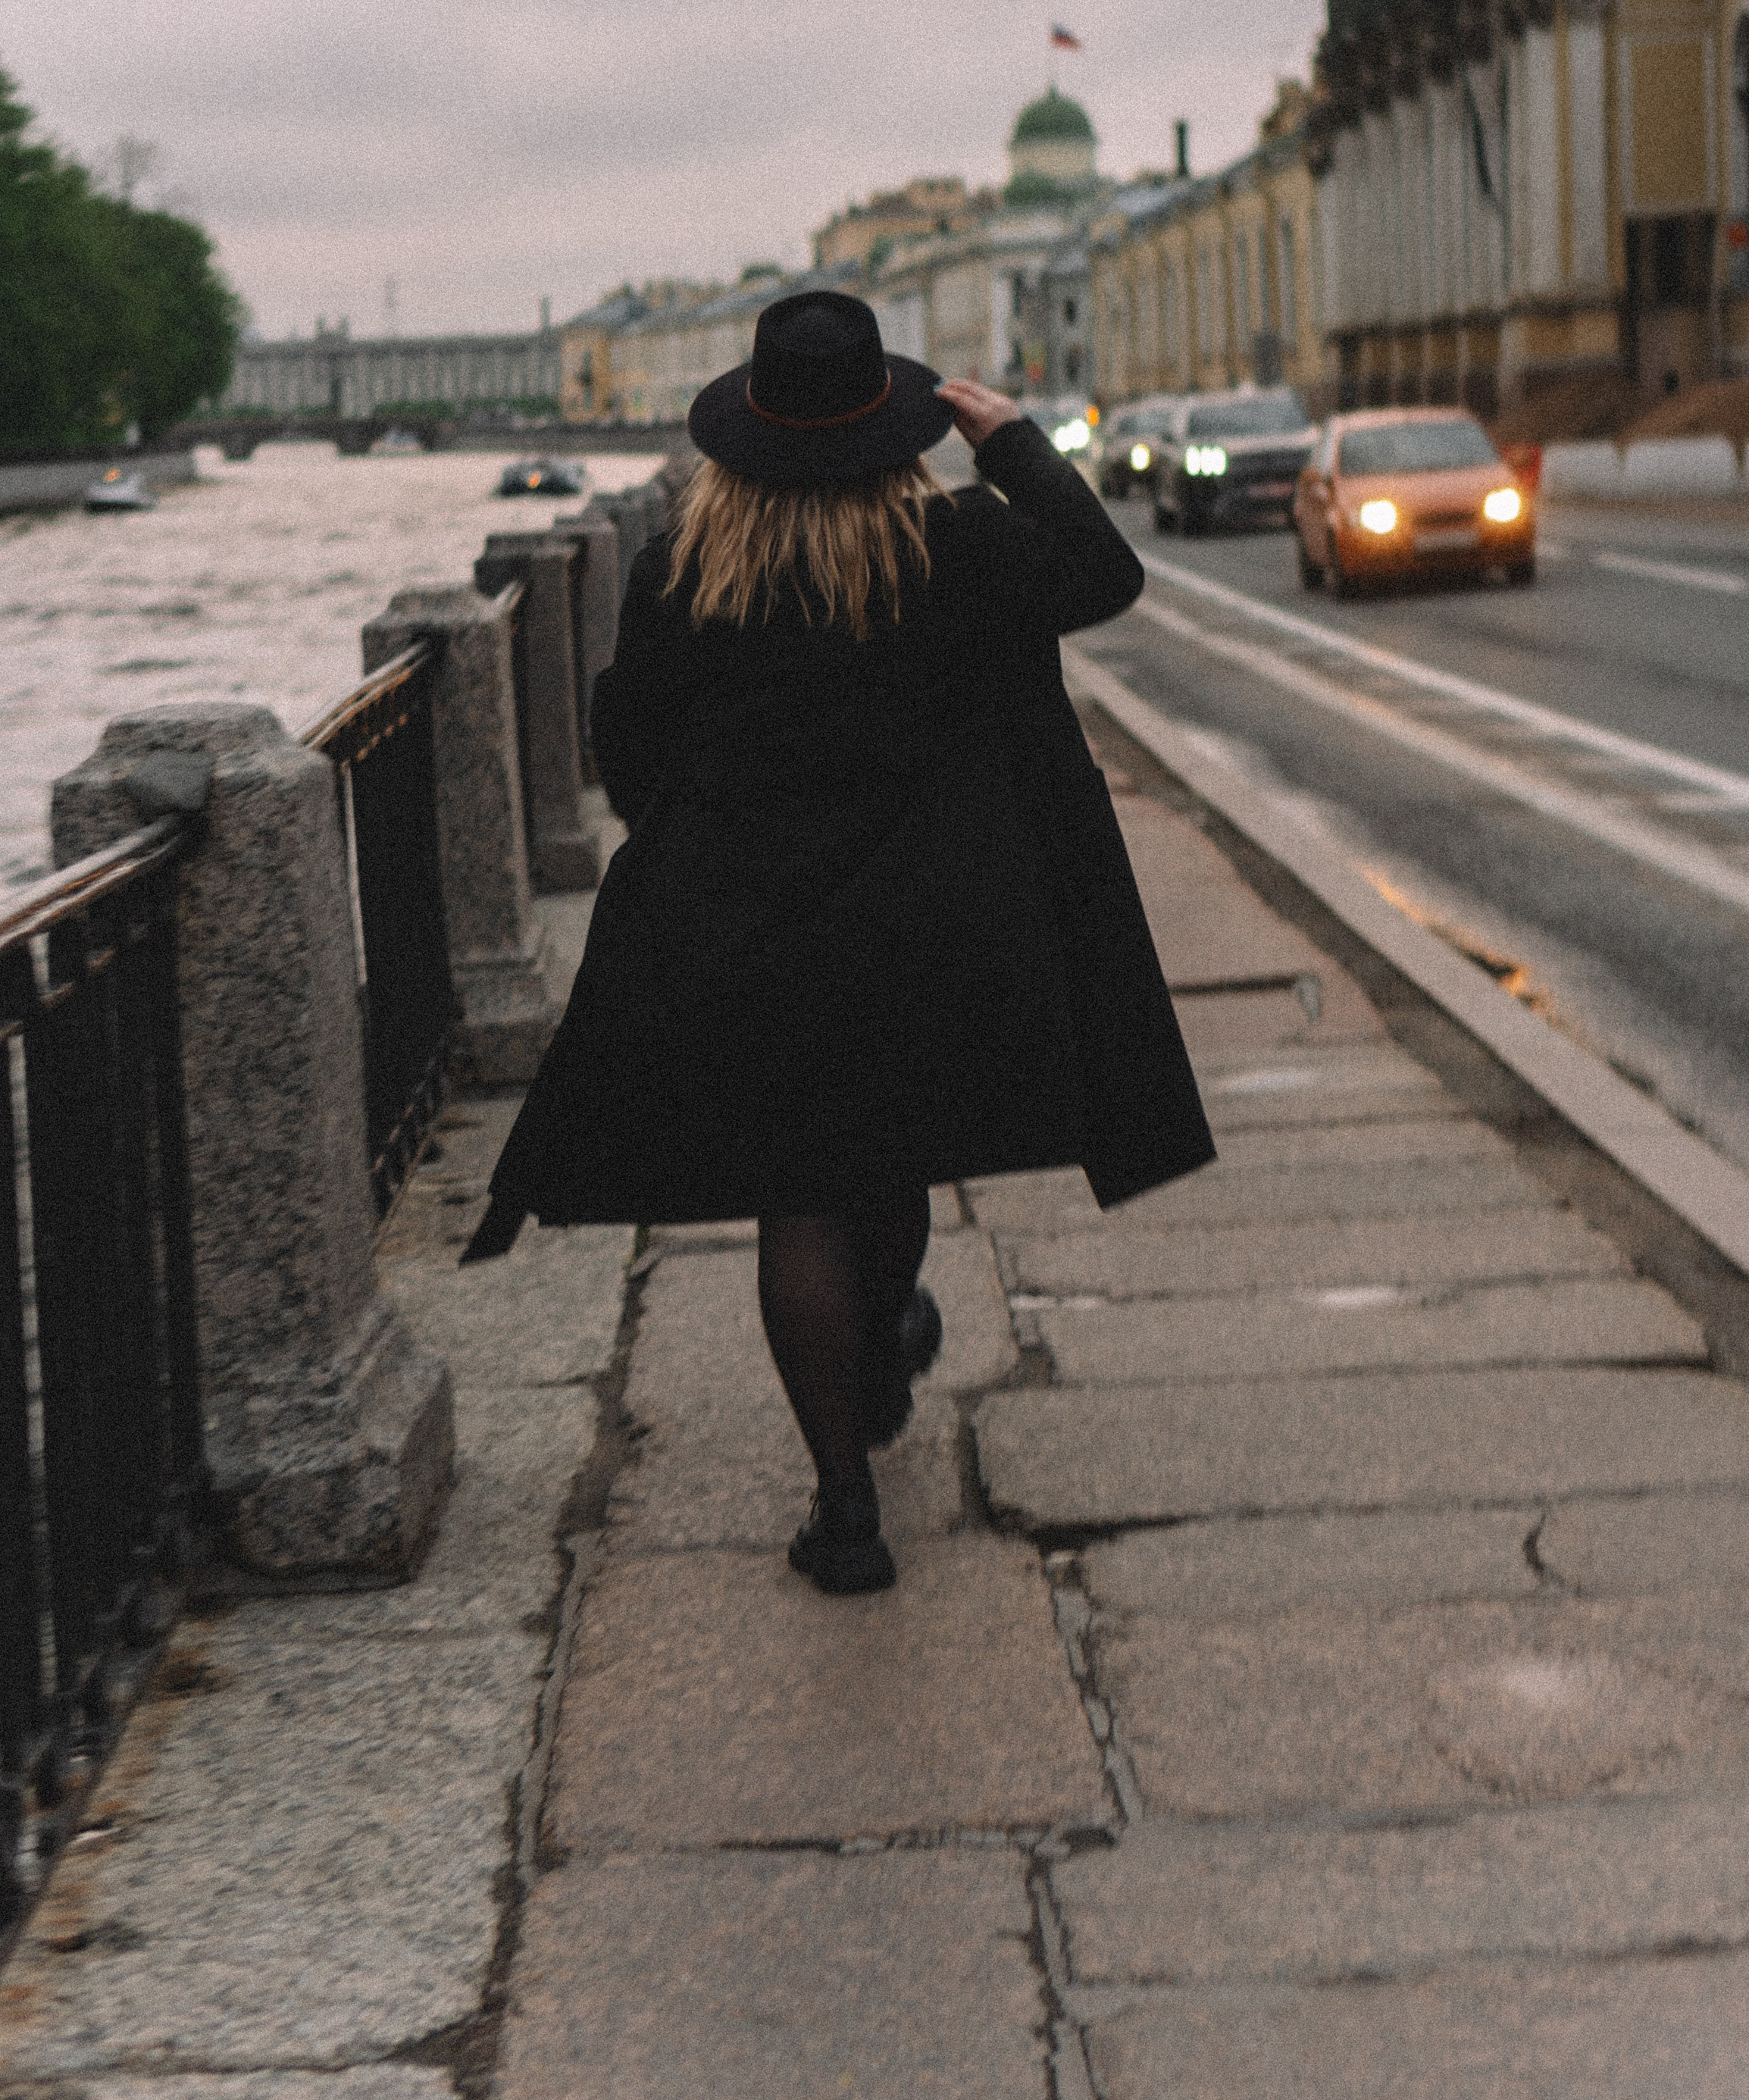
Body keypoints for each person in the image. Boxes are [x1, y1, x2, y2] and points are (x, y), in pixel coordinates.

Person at [465, 289, 1213, 1592]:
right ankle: (880, 1361)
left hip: (749, 940)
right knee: (890, 1161)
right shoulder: (961, 548)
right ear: (899, 427)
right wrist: (1013, 441)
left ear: (743, 436)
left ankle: (844, 1506)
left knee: (800, 1198)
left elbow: (630, 754)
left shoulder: (680, 574)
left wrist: (712, 847)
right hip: (932, 935)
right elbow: (1108, 573)